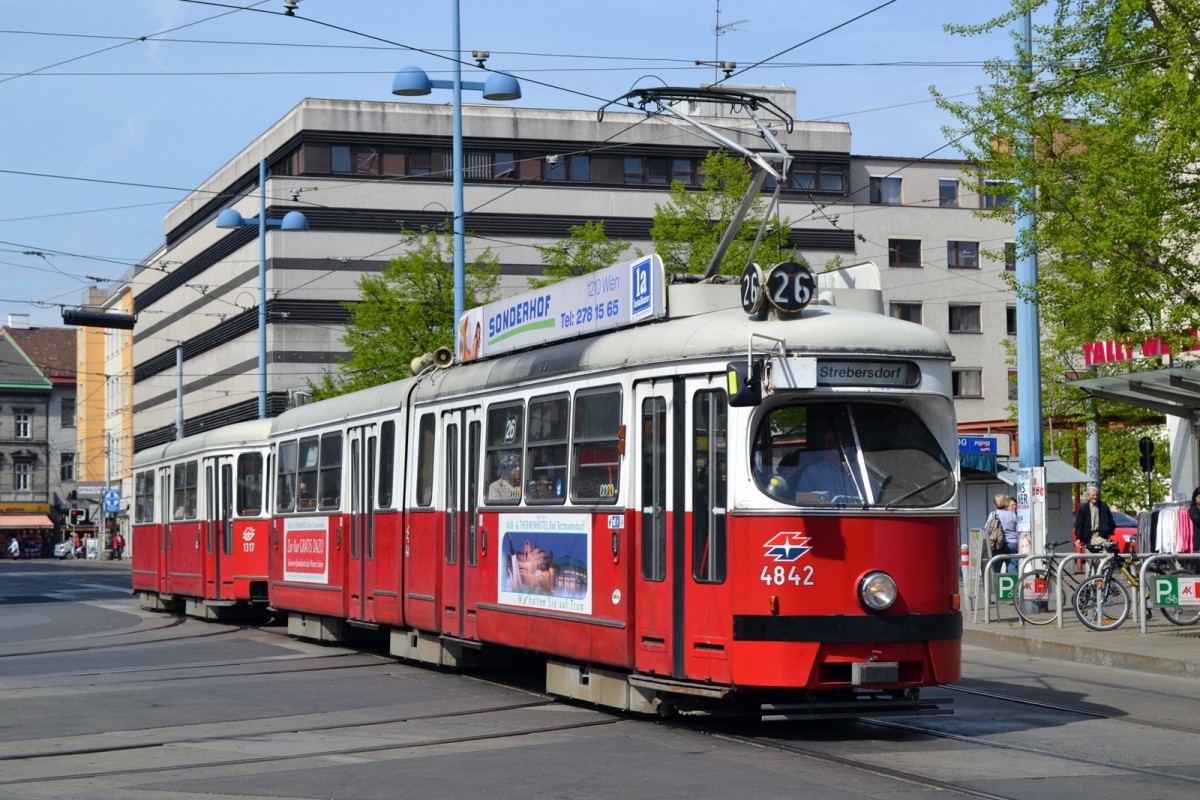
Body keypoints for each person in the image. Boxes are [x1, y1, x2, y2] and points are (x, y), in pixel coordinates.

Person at [797, 432, 854, 497]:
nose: (827, 446)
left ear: (846, 447)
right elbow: (800, 498)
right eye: (824, 443)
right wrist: (819, 499)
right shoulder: (812, 472)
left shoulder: (860, 471)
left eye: (831, 442)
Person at [1074, 484, 1117, 553]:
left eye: (1096, 495)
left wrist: (1108, 532)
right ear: (1088, 496)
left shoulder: (1103, 506)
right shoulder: (1084, 508)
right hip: (1089, 536)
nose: (1095, 497)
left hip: (1102, 536)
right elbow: (1079, 524)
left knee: (1104, 559)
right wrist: (1079, 538)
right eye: (1093, 495)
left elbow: (1111, 521)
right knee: (1089, 560)